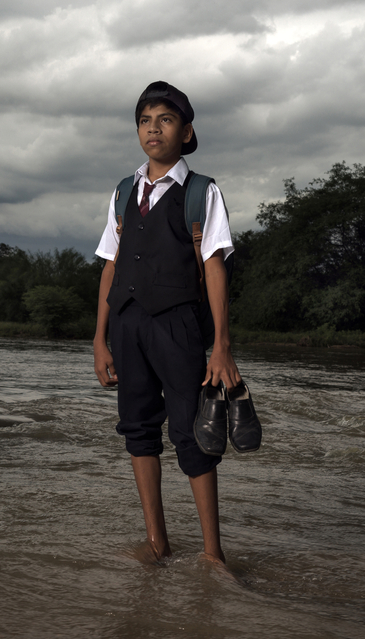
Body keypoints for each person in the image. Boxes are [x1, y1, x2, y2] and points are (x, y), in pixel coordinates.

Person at [92, 81, 240, 566]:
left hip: (178, 325)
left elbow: (214, 266)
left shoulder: (200, 191)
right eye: (145, 120)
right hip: (127, 326)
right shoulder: (122, 192)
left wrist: (221, 346)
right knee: (137, 430)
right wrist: (99, 339)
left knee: (191, 434)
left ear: (187, 131)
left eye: (166, 119)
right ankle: (158, 544)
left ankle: (214, 555)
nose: (153, 128)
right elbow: (110, 265)